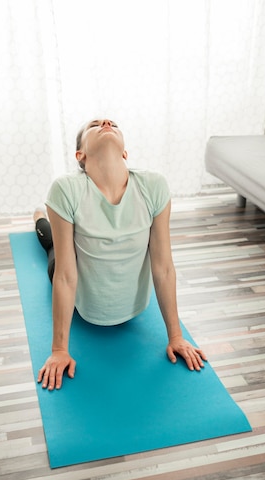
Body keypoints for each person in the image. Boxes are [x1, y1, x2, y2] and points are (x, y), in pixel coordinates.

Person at [35, 118, 207, 390]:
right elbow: (66, 276)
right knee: (53, 251)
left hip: (134, 307)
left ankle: (43, 220)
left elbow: (163, 267)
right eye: (95, 125)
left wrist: (176, 336)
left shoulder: (154, 186)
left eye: (112, 123)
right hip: (80, 287)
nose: (105, 122)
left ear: (125, 152)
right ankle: (40, 219)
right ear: (80, 155)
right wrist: (59, 350)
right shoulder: (66, 189)